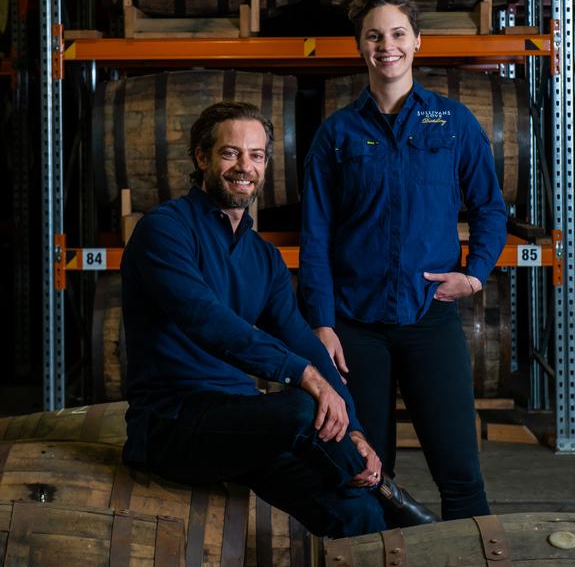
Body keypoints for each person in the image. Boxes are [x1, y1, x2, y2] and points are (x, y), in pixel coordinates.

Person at [121, 100, 435, 538]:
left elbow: (301, 340)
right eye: (230, 153)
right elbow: (206, 320)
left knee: (354, 513)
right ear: (202, 158)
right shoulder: (164, 229)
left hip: (242, 423)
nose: (244, 167)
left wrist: (357, 429)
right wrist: (305, 376)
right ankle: (386, 488)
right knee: (301, 408)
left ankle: (379, 509)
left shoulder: (264, 257)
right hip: (173, 425)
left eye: (256, 155)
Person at [298, 0, 507, 521]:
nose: (385, 45)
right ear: (360, 46)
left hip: (428, 319)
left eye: (396, 34)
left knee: (459, 470)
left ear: (417, 41)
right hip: (354, 327)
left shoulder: (453, 123)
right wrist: (322, 323)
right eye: (373, 35)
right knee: (366, 471)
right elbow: (315, 236)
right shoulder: (337, 135)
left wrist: (475, 275)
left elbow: (489, 209)